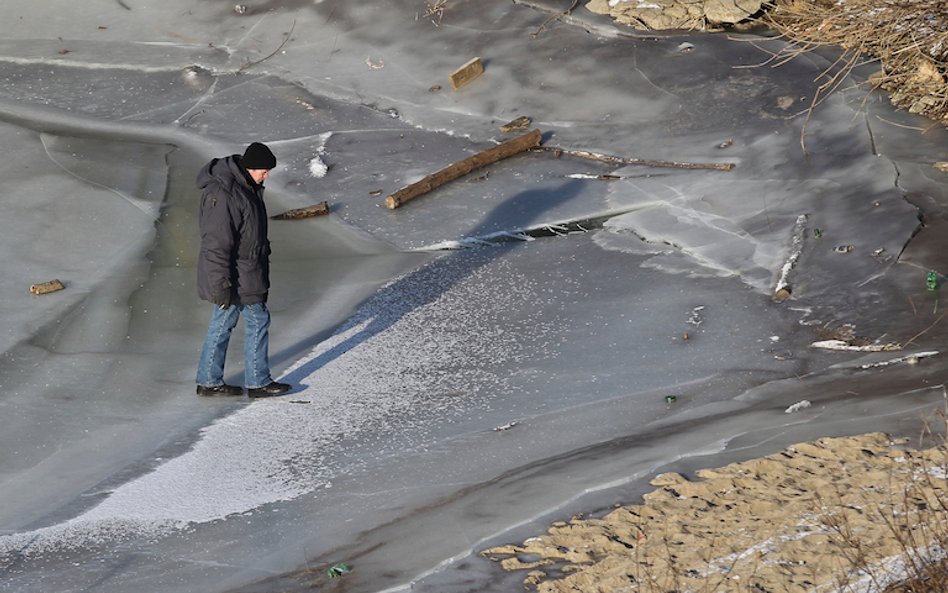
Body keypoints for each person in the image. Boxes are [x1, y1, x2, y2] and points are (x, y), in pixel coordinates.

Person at [194, 142, 291, 398]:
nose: (266, 175)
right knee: (256, 319)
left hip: (246, 272)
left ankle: (209, 381)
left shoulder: (247, 188)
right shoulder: (225, 195)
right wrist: (221, 284)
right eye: (263, 170)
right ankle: (256, 382)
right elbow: (216, 243)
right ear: (249, 167)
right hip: (234, 276)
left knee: (224, 323)